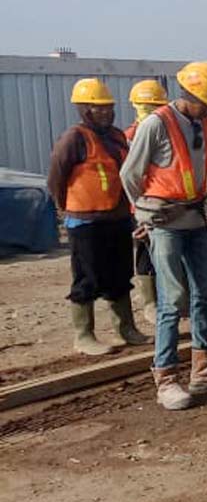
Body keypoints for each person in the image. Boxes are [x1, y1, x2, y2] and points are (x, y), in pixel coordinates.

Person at [120, 61, 207, 410]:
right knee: (171, 300)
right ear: (191, 95)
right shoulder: (156, 124)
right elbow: (129, 174)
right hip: (166, 222)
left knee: (205, 293)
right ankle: (166, 377)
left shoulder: (201, 121)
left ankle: (203, 367)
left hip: (195, 217)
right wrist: (143, 214)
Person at [47, 78, 150, 356]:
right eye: (98, 108)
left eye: (108, 107)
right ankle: (84, 335)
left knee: (120, 274)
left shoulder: (116, 137)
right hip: (85, 221)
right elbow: (56, 176)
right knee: (87, 277)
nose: (105, 112)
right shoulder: (74, 138)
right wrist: (65, 206)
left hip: (118, 218)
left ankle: (125, 329)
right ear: (84, 109)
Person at [125, 79, 171, 326]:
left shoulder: (168, 133)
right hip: (140, 206)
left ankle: (170, 300)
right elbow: (127, 176)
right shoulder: (129, 137)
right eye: (145, 107)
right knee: (146, 253)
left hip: (165, 204)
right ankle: (150, 303)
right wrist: (138, 210)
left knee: (167, 253)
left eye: (154, 107)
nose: (149, 112)